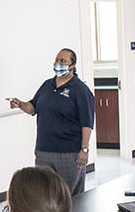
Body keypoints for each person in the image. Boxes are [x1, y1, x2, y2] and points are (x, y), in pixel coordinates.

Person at [7, 48, 95, 196]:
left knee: (70, 196)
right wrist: (20, 104)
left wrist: (84, 150)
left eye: (63, 61)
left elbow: (87, 123)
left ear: (72, 65)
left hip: (69, 153)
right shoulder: (47, 85)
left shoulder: (80, 90)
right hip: (44, 151)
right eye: (57, 60)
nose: (58, 64)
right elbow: (33, 107)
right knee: (45, 195)